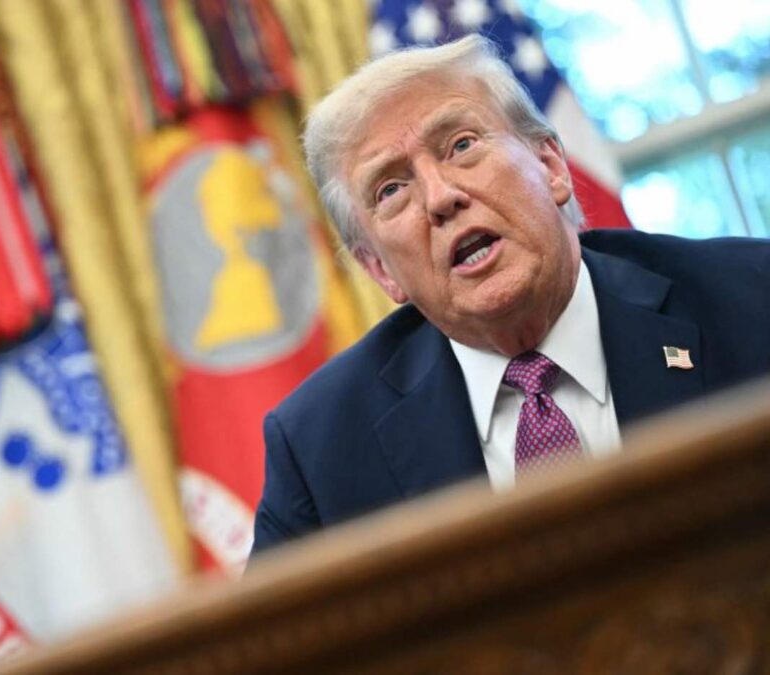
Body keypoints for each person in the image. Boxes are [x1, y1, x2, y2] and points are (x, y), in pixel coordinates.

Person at [250, 35, 770, 555]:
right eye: (391, 189)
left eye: (461, 145)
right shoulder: (320, 450)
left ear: (551, 166)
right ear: (380, 269)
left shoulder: (753, 296)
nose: (440, 198)